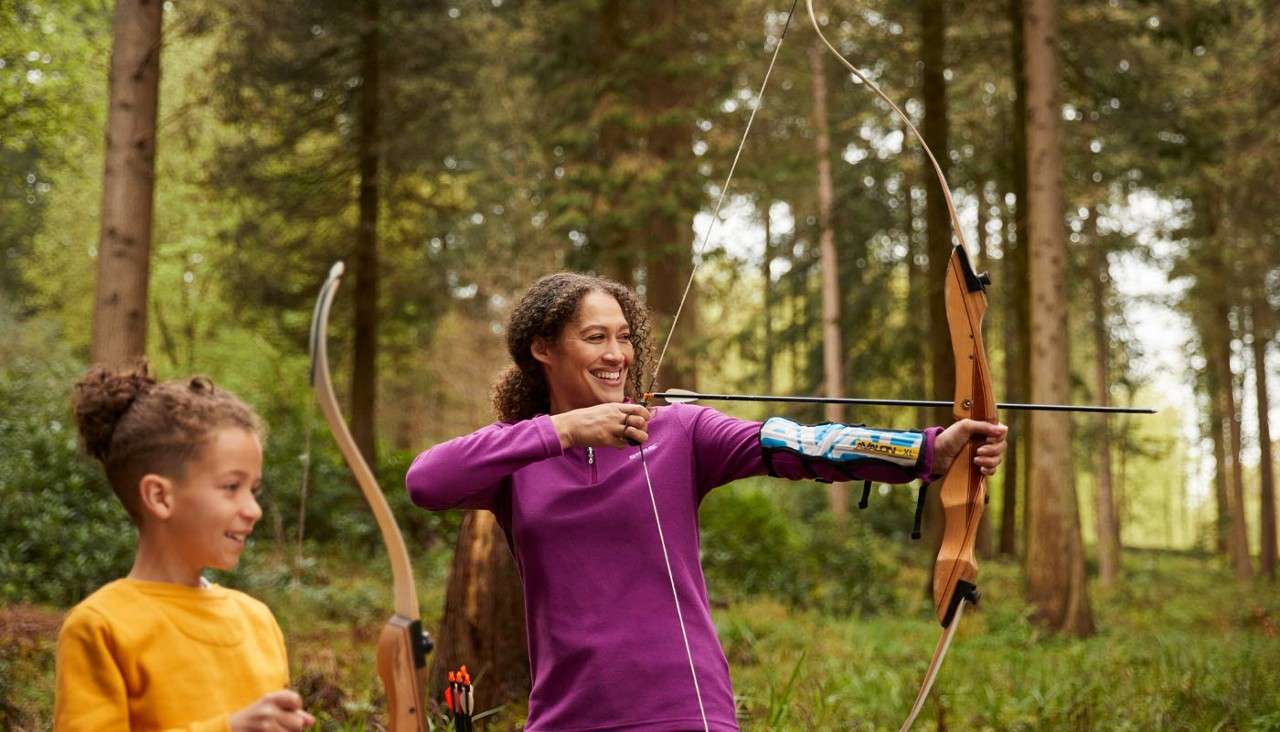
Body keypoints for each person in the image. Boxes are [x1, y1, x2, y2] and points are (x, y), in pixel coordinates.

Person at [406, 272, 1007, 731]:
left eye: (623, 337)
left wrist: (928, 449)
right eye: (595, 338)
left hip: (683, 709)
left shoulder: (680, 433)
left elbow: (798, 443)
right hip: (565, 714)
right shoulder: (520, 457)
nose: (617, 354)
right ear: (543, 349)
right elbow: (426, 482)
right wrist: (563, 430)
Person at [56, 363, 315, 732]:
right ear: (160, 496)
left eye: (253, 490)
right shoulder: (100, 626)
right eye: (231, 487)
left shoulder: (258, 621)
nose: (253, 509)